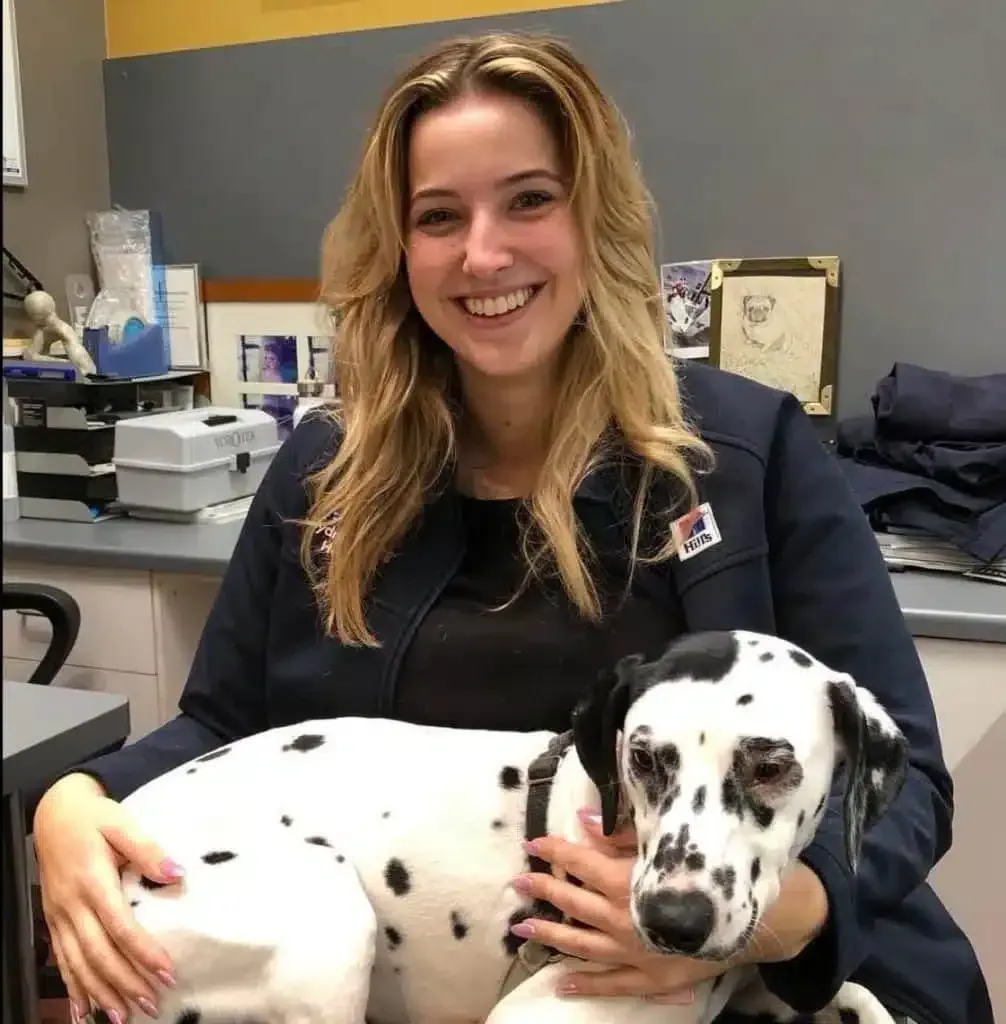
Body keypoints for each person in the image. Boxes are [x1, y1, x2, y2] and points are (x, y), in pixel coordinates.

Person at [32, 31, 991, 1024]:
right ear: (398, 251)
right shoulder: (326, 473)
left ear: (594, 219)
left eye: (529, 200)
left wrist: (768, 918)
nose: (482, 254)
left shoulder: (749, 455)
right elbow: (227, 722)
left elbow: (908, 774)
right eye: (438, 216)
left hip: (759, 966)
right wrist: (77, 796)